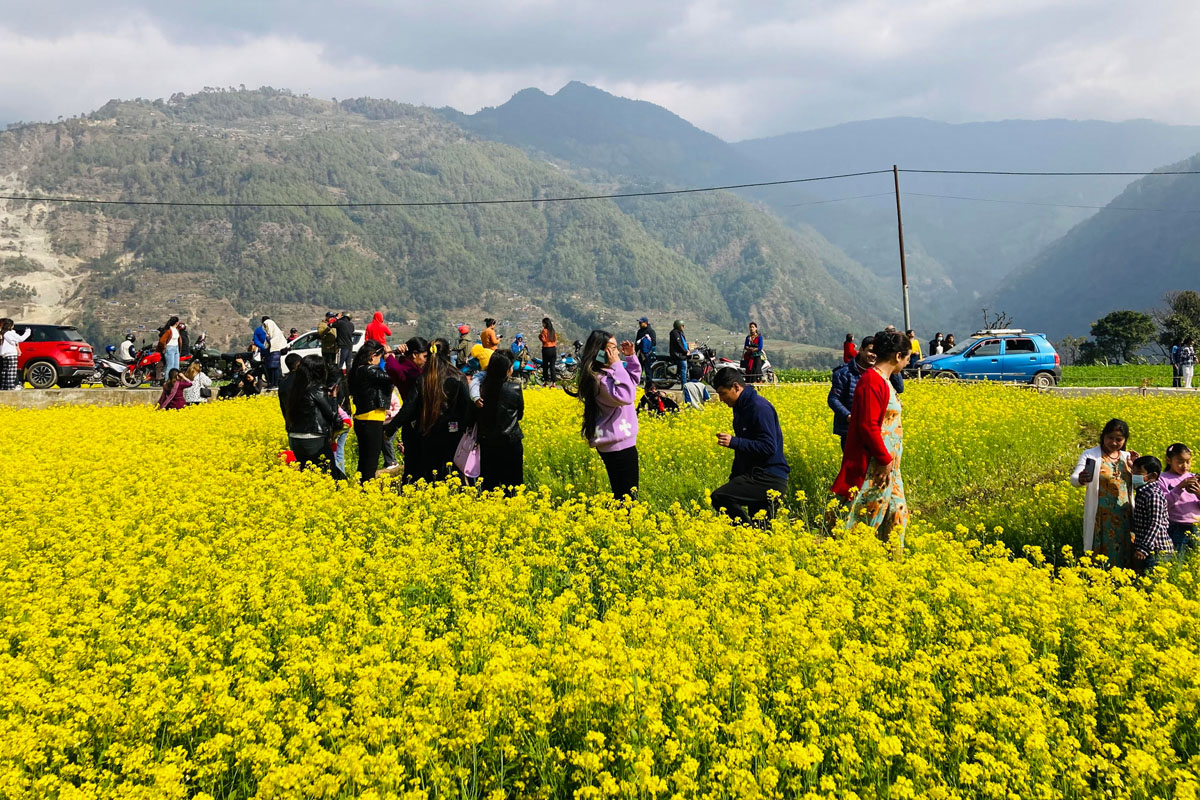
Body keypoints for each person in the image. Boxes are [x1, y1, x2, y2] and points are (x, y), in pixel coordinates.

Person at [832, 330, 911, 546]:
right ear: (897, 356)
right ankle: (854, 555)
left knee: (898, 513)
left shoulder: (885, 380)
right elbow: (867, 426)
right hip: (876, 465)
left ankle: (892, 560)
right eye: (907, 357)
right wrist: (885, 459)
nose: (907, 363)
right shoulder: (871, 381)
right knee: (867, 516)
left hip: (890, 466)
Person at [710, 368, 790, 525]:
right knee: (762, 532)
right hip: (755, 475)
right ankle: (750, 538)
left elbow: (768, 447)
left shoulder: (759, 407)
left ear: (736, 387)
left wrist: (734, 442)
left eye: (723, 393)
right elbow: (743, 450)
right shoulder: (740, 408)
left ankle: (745, 531)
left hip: (768, 477)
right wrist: (734, 477)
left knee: (720, 497)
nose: (721, 399)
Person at [396, 342, 472, 483]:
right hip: (453, 431)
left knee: (430, 472)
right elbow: (466, 407)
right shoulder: (457, 375)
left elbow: (408, 407)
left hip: (429, 431)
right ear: (447, 354)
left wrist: (390, 429)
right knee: (451, 472)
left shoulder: (424, 378)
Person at [578, 330, 641, 499]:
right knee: (627, 497)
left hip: (619, 441)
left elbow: (632, 383)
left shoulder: (608, 374)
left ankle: (623, 521)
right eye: (612, 348)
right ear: (599, 352)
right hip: (618, 444)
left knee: (625, 494)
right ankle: (625, 524)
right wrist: (617, 365)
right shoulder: (600, 379)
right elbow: (627, 396)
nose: (616, 352)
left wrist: (630, 357)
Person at [1070, 418, 1137, 568]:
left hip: (1125, 515)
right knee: (1101, 555)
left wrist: (1135, 467)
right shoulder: (1091, 455)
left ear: (1125, 440)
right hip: (1101, 517)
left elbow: (1141, 485)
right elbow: (1074, 478)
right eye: (1110, 438)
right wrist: (1081, 479)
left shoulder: (1127, 458)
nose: (1113, 442)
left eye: (1118, 439)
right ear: (1103, 436)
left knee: (1127, 552)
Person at [828, 335, 905, 451]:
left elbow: (900, 388)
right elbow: (833, 399)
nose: (874, 355)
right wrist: (848, 416)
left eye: (877, 352)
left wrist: (892, 365)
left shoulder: (882, 371)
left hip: (879, 431)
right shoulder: (844, 373)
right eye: (870, 351)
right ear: (861, 350)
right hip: (851, 430)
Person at [284, 354, 344, 479]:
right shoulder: (316, 389)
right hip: (313, 438)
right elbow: (332, 415)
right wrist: (333, 397)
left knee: (308, 476)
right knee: (329, 476)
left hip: (295, 438)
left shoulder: (295, 389)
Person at [477, 350, 525, 492]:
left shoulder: (480, 389)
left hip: (487, 444)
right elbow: (520, 415)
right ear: (506, 370)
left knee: (489, 487)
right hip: (510, 443)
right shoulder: (514, 388)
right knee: (513, 487)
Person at [348, 341, 394, 481]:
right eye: (379, 357)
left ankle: (362, 488)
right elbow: (392, 378)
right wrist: (390, 358)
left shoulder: (358, 369)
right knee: (370, 462)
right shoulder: (369, 370)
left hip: (364, 419)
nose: (379, 360)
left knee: (365, 460)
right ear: (372, 356)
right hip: (371, 420)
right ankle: (366, 489)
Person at [1131, 455, 1174, 574]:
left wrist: (1144, 548)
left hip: (1156, 550)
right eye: (1133, 471)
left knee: (1153, 584)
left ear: (1153, 475)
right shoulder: (1143, 490)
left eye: (1139, 472)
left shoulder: (1153, 494)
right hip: (1147, 548)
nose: (1134, 475)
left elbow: (1156, 523)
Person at [1162, 443, 1199, 555]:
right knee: (1178, 559)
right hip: (1175, 526)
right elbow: (1163, 504)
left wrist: (1198, 493)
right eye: (1180, 462)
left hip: (1196, 526)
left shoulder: (1195, 478)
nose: (1185, 466)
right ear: (1168, 460)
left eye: (1188, 462)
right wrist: (1179, 488)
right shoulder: (1163, 478)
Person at [384, 337, 429, 404]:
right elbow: (395, 369)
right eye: (425, 356)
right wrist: (389, 357)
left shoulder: (414, 368)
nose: (426, 360)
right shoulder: (407, 371)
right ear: (414, 355)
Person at [0, 318, 30, 390]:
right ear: (10, 325)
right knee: (12, 371)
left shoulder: (3, 333)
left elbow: (12, 342)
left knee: (5, 371)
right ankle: (11, 386)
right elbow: (21, 339)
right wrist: (28, 332)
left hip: (4, 354)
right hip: (11, 354)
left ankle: (4, 386)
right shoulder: (10, 333)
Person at [260, 316, 288, 390]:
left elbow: (273, 343)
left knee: (274, 369)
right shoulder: (271, 333)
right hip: (271, 353)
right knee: (272, 369)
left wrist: (268, 338)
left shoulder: (276, 333)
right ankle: (272, 383)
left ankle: (275, 384)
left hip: (275, 352)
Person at [277, 353, 304, 418]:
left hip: (289, 420)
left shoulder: (282, 382)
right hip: (302, 420)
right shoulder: (302, 379)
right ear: (298, 364)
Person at [635, 317, 657, 388]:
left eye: (641, 322)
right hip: (640, 353)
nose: (639, 324)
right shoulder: (639, 331)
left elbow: (654, 342)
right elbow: (637, 343)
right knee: (638, 369)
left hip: (647, 354)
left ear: (645, 323)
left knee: (648, 369)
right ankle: (636, 383)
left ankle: (649, 386)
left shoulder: (651, 331)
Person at [539, 318, 558, 388]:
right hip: (553, 349)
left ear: (545, 323)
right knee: (552, 366)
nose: (542, 324)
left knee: (545, 366)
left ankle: (546, 381)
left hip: (546, 349)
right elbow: (556, 338)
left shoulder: (544, 331)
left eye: (543, 323)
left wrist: (540, 336)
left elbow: (543, 340)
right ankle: (554, 382)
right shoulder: (553, 331)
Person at [669, 320, 689, 387]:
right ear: (678, 325)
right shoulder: (675, 333)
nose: (684, 327)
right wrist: (685, 351)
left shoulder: (680, 332)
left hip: (681, 353)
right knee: (684, 368)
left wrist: (688, 349)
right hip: (678, 354)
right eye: (682, 326)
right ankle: (684, 386)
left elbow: (684, 343)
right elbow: (679, 344)